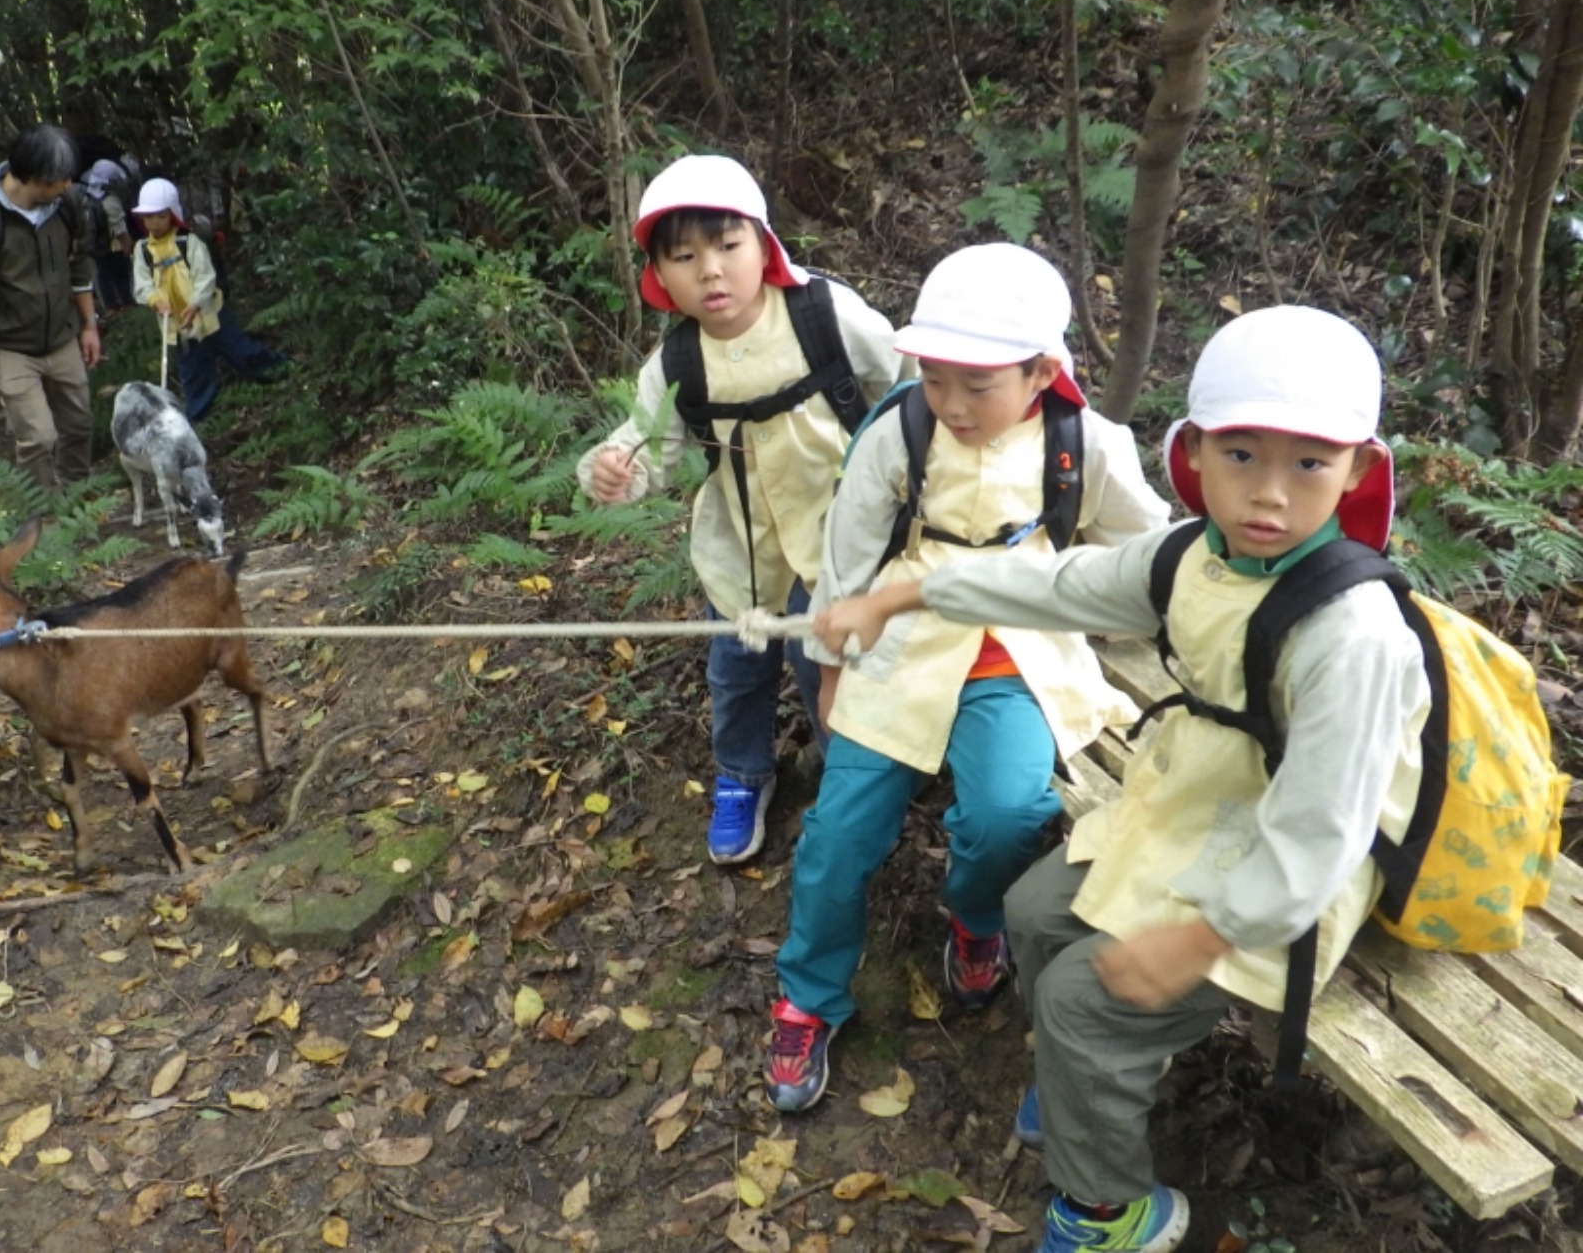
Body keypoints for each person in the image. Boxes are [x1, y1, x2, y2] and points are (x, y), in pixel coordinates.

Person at [845, 306, 1426, 1253]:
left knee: (1081, 1000)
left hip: (1290, 874)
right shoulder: (1190, 555)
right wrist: (917, 588)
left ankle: (1111, 1211)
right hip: (1201, 802)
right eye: (1241, 456)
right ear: (1193, 453)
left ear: (1358, 468)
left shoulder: (1352, 636)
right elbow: (1061, 586)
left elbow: (1322, 836)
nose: (1269, 494)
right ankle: (1089, 1078)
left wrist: (1204, 935)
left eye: (1309, 463)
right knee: (1033, 910)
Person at [766, 243, 1169, 1113]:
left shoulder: (1084, 443)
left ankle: (976, 917)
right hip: (898, 645)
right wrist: (830, 670)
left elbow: (1148, 552)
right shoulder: (900, 429)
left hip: (1017, 653)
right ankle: (808, 994)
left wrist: (1092, 596)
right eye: (936, 376)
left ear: (1041, 372)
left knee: (1007, 815)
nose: (950, 402)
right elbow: (846, 559)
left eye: (976, 384)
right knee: (838, 836)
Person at [574, 154, 900, 865]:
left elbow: (901, 382)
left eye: (728, 246)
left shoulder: (823, 314)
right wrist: (611, 472)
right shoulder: (677, 362)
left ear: (764, 245)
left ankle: (846, 781)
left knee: (830, 669)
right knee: (737, 670)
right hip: (742, 550)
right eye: (685, 257)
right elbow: (645, 446)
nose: (711, 271)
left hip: (841, 542)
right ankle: (744, 775)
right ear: (660, 278)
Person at [0, 123, 101, 495]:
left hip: (61, 336)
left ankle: (79, 501)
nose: (69, 186)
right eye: (61, 180)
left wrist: (88, 325)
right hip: (6, 344)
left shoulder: (67, 205)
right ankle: (40, 524)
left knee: (78, 424)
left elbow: (79, 264)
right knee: (39, 437)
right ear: (35, 180)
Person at [129, 177, 287, 424]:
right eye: (148, 217)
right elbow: (142, 283)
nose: (154, 223)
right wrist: (154, 300)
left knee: (240, 350)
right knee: (194, 372)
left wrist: (195, 303)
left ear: (173, 214)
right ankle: (199, 421)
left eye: (160, 216)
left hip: (210, 313)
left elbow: (205, 276)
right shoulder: (142, 250)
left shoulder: (189, 242)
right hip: (180, 324)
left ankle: (281, 373)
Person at [80, 158, 135, 313]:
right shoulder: (110, 200)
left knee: (104, 276)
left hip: (96, 247)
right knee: (121, 275)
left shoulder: (86, 199)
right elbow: (120, 230)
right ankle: (125, 305)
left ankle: (110, 307)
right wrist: (129, 248)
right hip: (113, 247)